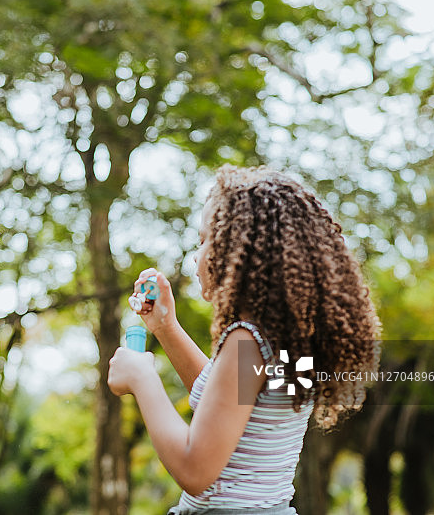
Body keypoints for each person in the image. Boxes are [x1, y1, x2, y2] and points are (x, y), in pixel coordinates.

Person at [108, 165, 380, 514]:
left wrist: (142, 378)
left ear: (241, 251)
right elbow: (225, 406)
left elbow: (195, 470)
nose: (197, 254)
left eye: (205, 239)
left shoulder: (246, 341)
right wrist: (166, 327)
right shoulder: (289, 340)